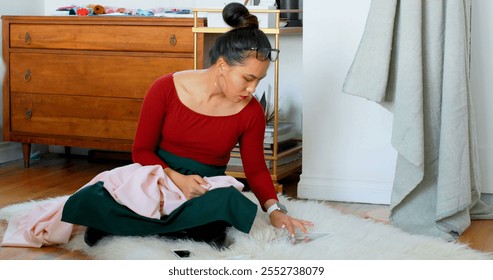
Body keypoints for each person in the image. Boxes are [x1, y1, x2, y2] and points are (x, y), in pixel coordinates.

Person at [61, 2, 313, 248]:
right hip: (156, 178)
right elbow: (142, 151)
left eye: (258, 80)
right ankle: (172, 231)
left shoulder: (251, 112)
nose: (252, 89)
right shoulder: (165, 88)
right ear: (223, 65)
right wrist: (175, 178)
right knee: (91, 197)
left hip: (202, 189)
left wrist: (274, 211)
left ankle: (127, 228)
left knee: (229, 201)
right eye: (247, 79)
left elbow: (256, 169)